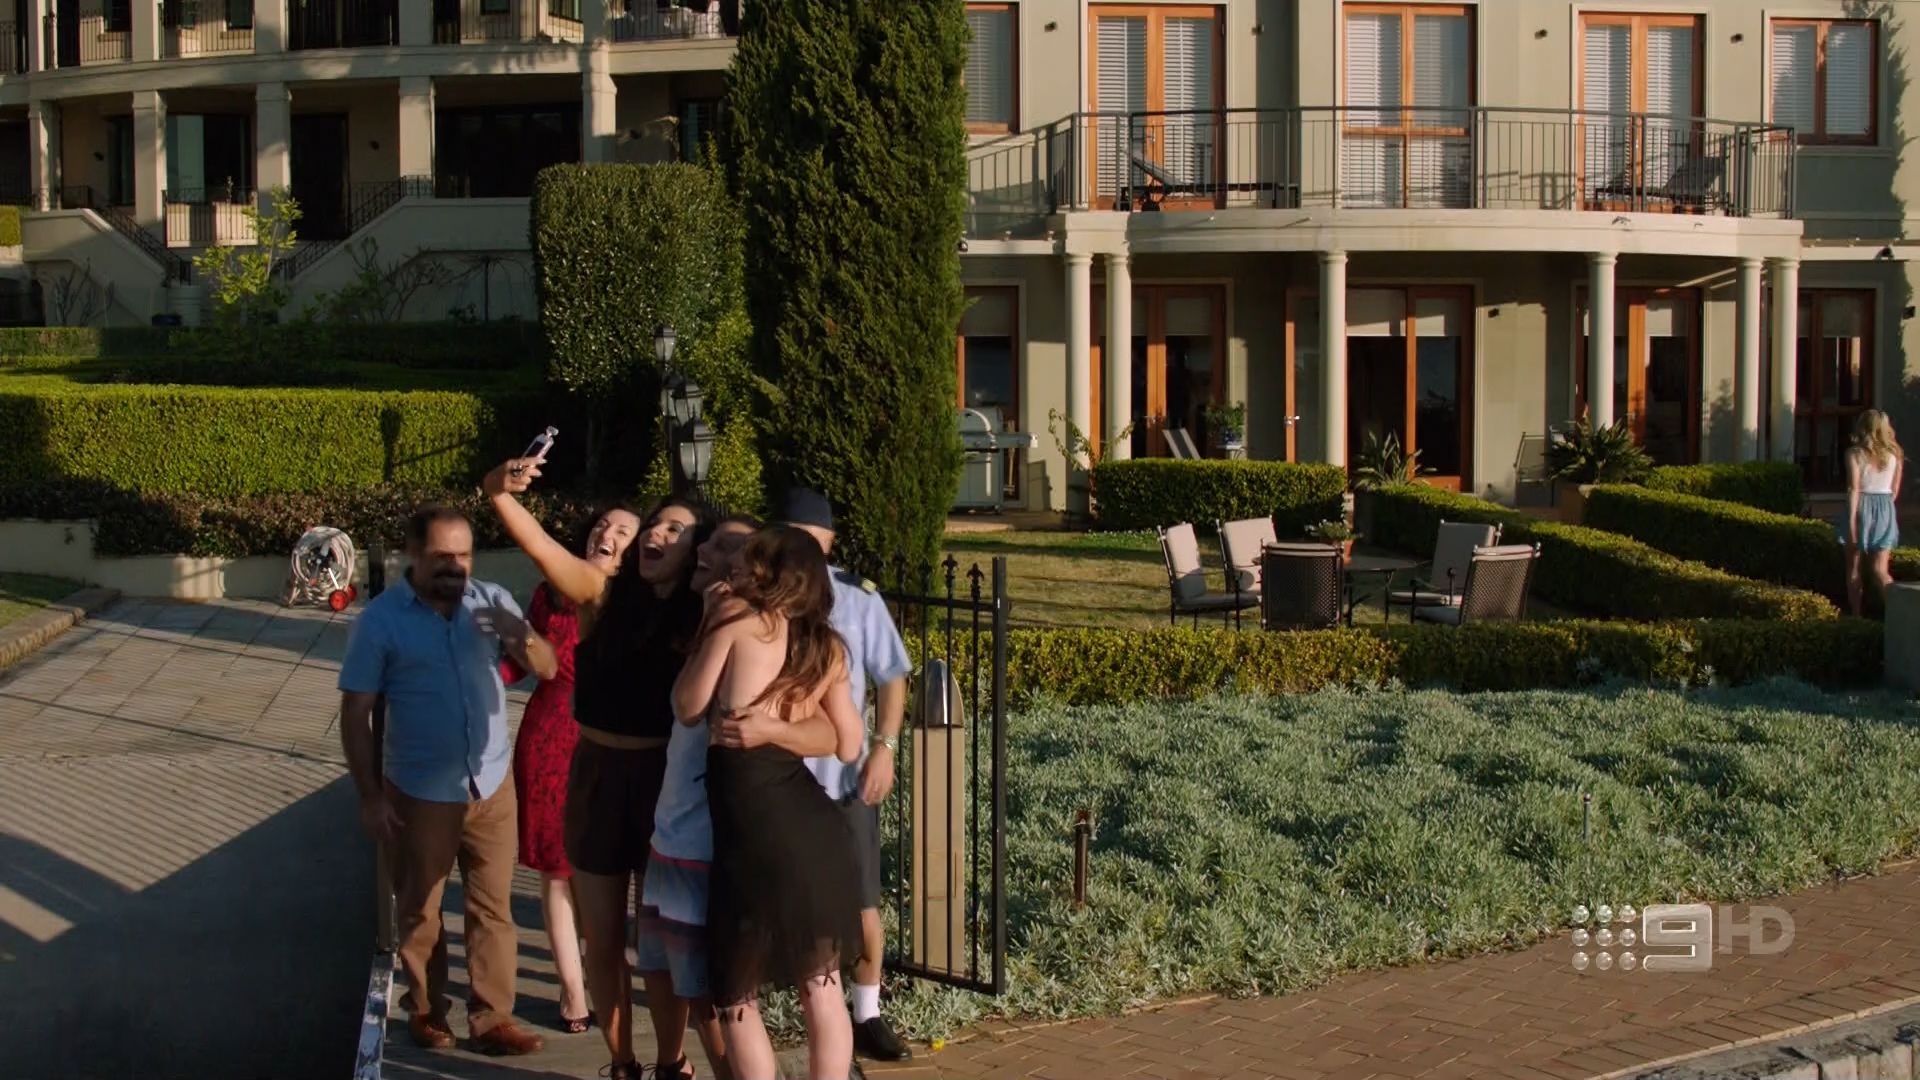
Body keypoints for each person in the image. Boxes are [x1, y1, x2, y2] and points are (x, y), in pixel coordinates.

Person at [483, 455, 713, 1080]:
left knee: (658, 948)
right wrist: (499, 493)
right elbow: (542, 551)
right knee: (603, 942)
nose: (655, 535)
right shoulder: (601, 594)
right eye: (654, 524)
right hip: (597, 778)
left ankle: (671, 1062)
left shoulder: (700, 614)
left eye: (672, 530)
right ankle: (622, 1063)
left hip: (666, 787)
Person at [338, 504, 553, 1056]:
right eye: (442, 556)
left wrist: (520, 635)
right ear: (413, 554)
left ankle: (493, 1019)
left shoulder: (492, 601)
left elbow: (549, 667)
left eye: (464, 555)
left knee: (493, 908)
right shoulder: (381, 621)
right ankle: (427, 1010)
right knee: (421, 910)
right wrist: (370, 796)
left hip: (490, 784)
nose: (455, 567)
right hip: (420, 791)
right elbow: (356, 712)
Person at [674, 525, 865, 1080]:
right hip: (814, 831)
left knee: (737, 997)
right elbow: (849, 743)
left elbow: (687, 705)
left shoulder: (738, 622)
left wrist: (708, 622)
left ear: (772, 572)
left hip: (753, 837)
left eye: (750, 558)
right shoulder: (825, 646)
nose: (738, 566)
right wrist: (784, 725)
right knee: (821, 987)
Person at [783, 488, 915, 1062]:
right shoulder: (764, 598)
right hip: (778, 778)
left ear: (831, 544)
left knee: (862, 902)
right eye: (795, 539)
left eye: (814, 541)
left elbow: (892, 675)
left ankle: (867, 1012)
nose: (805, 552)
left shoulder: (858, 600)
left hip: (843, 778)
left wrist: (884, 746)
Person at [504, 506, 641, 1035]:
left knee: (603, 871)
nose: (607, 534)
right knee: (557, 873)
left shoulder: (636, 602)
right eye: (602, 526)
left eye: (623, 531)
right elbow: (524, 664)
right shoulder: (549, 593)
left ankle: (605, 976)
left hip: (609, 740)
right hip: (548, 738)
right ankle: (573, 991)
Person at [1849, 409, 1905, 616]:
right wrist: (1884, 511)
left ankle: (1856, 616)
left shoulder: (1855, 454)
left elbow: (1854, 488)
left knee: (1854, 568)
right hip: (1886, 506)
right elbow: (1895, 490)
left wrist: (1852, 522)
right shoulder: (1895, 454)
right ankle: (1901, 611)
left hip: (1861, 504)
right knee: (1880, 570)